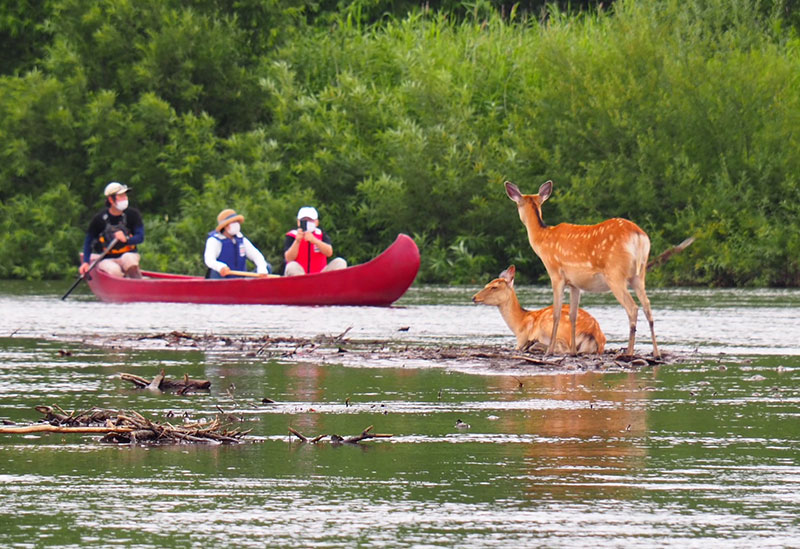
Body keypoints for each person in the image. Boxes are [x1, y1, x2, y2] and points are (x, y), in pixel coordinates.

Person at [80, 182, 144, 278]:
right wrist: (85, 262)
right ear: (111, 199)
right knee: (114, 270)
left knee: (129, 259)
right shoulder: (99, 219)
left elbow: (140, 237)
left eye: (125, 195)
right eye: (121, 196)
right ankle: (123, 282)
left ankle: (137, 281)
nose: (125, 198)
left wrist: (126, 239)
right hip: (107, 259)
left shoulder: (133, 215)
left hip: (128, 255)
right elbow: (88, 241)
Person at [204, 208, 271, 278]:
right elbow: (209, 260)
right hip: (223, 279)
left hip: (240, 280)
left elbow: (256, 255)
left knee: (267, 267)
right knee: (215, 272)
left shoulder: (241, 240)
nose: (236, 225)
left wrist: (262, 268)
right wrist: (220, 267)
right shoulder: (214, 241)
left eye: (237, 222)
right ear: (225, 226)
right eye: (233, 223)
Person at [283, 206, 347, 276]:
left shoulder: (321, 234)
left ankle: (331, 284)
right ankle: (303, 284)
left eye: (310, 220)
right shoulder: (292, 235)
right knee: (291, 266)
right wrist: (297, 241)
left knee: (340, 262)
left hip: (320, 275)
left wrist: (315, 241)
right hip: (300, 275)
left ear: (316, 222)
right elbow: (288, 258)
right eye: (304, 220)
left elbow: (329, 252)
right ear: (298, 222)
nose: (307, 223)